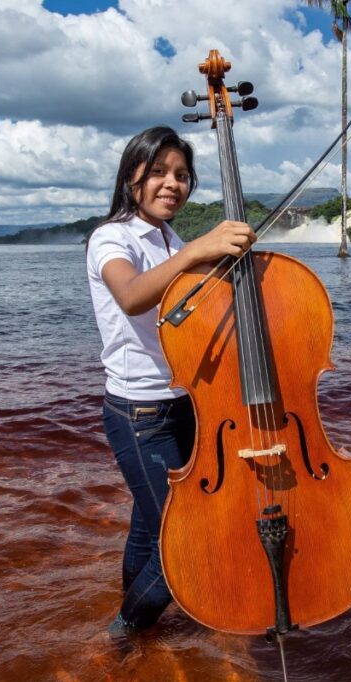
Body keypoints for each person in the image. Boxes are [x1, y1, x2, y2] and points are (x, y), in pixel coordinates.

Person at [85, 126, 256, 635]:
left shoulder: (171, 239)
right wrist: (197, 252)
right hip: (139, 414)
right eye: (158, 171)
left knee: (149, 527)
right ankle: (124, 632)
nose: (172, 183)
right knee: (187, 540)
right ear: (130, 176)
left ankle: (139, 629)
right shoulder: (111, 238)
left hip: (184, 404)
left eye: (182, 175)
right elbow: (133, 295)